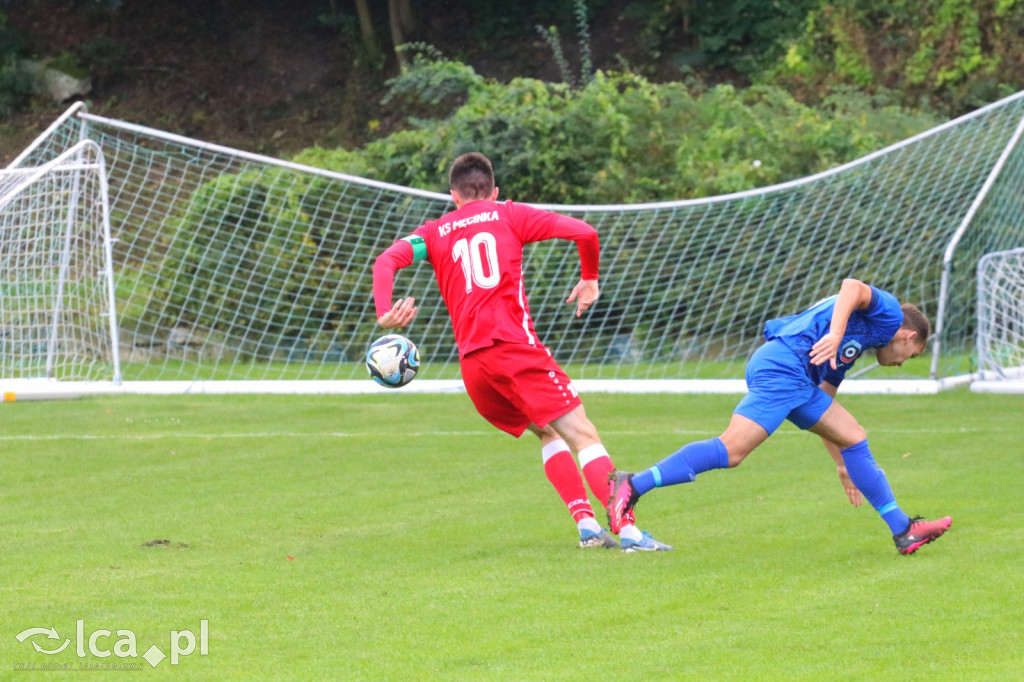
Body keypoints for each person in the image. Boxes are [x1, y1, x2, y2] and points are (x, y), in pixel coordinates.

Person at [373, 152, 671, 551]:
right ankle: (631, 533)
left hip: (474, 367)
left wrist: (384, 313)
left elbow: (386, 260)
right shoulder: (509, 214)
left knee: (547, 431)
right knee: (583, 433)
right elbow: (585, 232)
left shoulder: (435, 232)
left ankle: (585, 524)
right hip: (515, 350)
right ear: (493, 192)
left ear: (454, 196)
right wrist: (589, 278)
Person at [606, 278, 952, 555]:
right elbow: (852, 286)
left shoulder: (850, 349)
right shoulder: (890, 314)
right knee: (731, 450)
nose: (903, 362)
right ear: (909, 336)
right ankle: (632, 485)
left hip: (793, 375)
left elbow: (827, 409)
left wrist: (842, 464)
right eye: (913, 353)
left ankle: (904, 530)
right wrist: (833, 333)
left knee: (853, 436)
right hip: (783, 365)